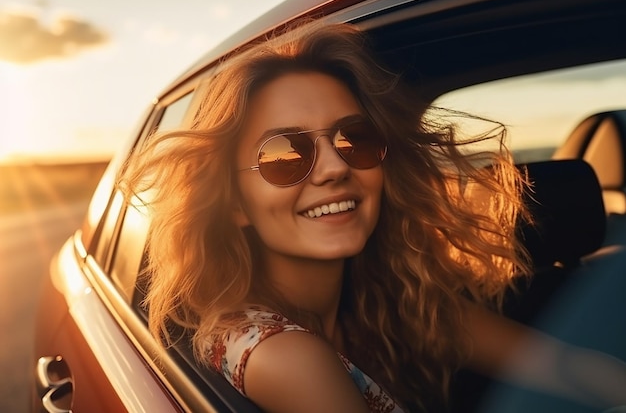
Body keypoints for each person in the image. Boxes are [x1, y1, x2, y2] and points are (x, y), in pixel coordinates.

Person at [120, 22, 626, 412]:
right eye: (286, 156)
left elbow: (564, 367)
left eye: (354, 139)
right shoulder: (284, 354)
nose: (337, 166)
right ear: (233, 203)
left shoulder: (388, 298)